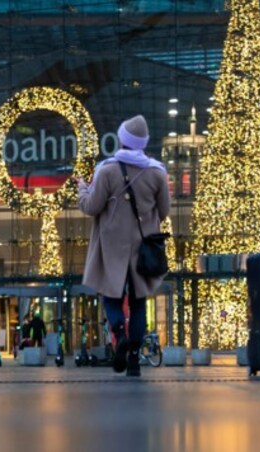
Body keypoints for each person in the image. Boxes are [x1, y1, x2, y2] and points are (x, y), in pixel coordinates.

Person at [77, 115, 171, 377]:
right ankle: (133, 358)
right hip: (143, 248)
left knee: (111, 297)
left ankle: (119, 332)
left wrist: (83, 189)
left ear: (122, 140)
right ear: (143, 143)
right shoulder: (157, 172)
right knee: (139, 301)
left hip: (112, 246)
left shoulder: (106, 170)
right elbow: (164, 211)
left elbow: (92, 206)